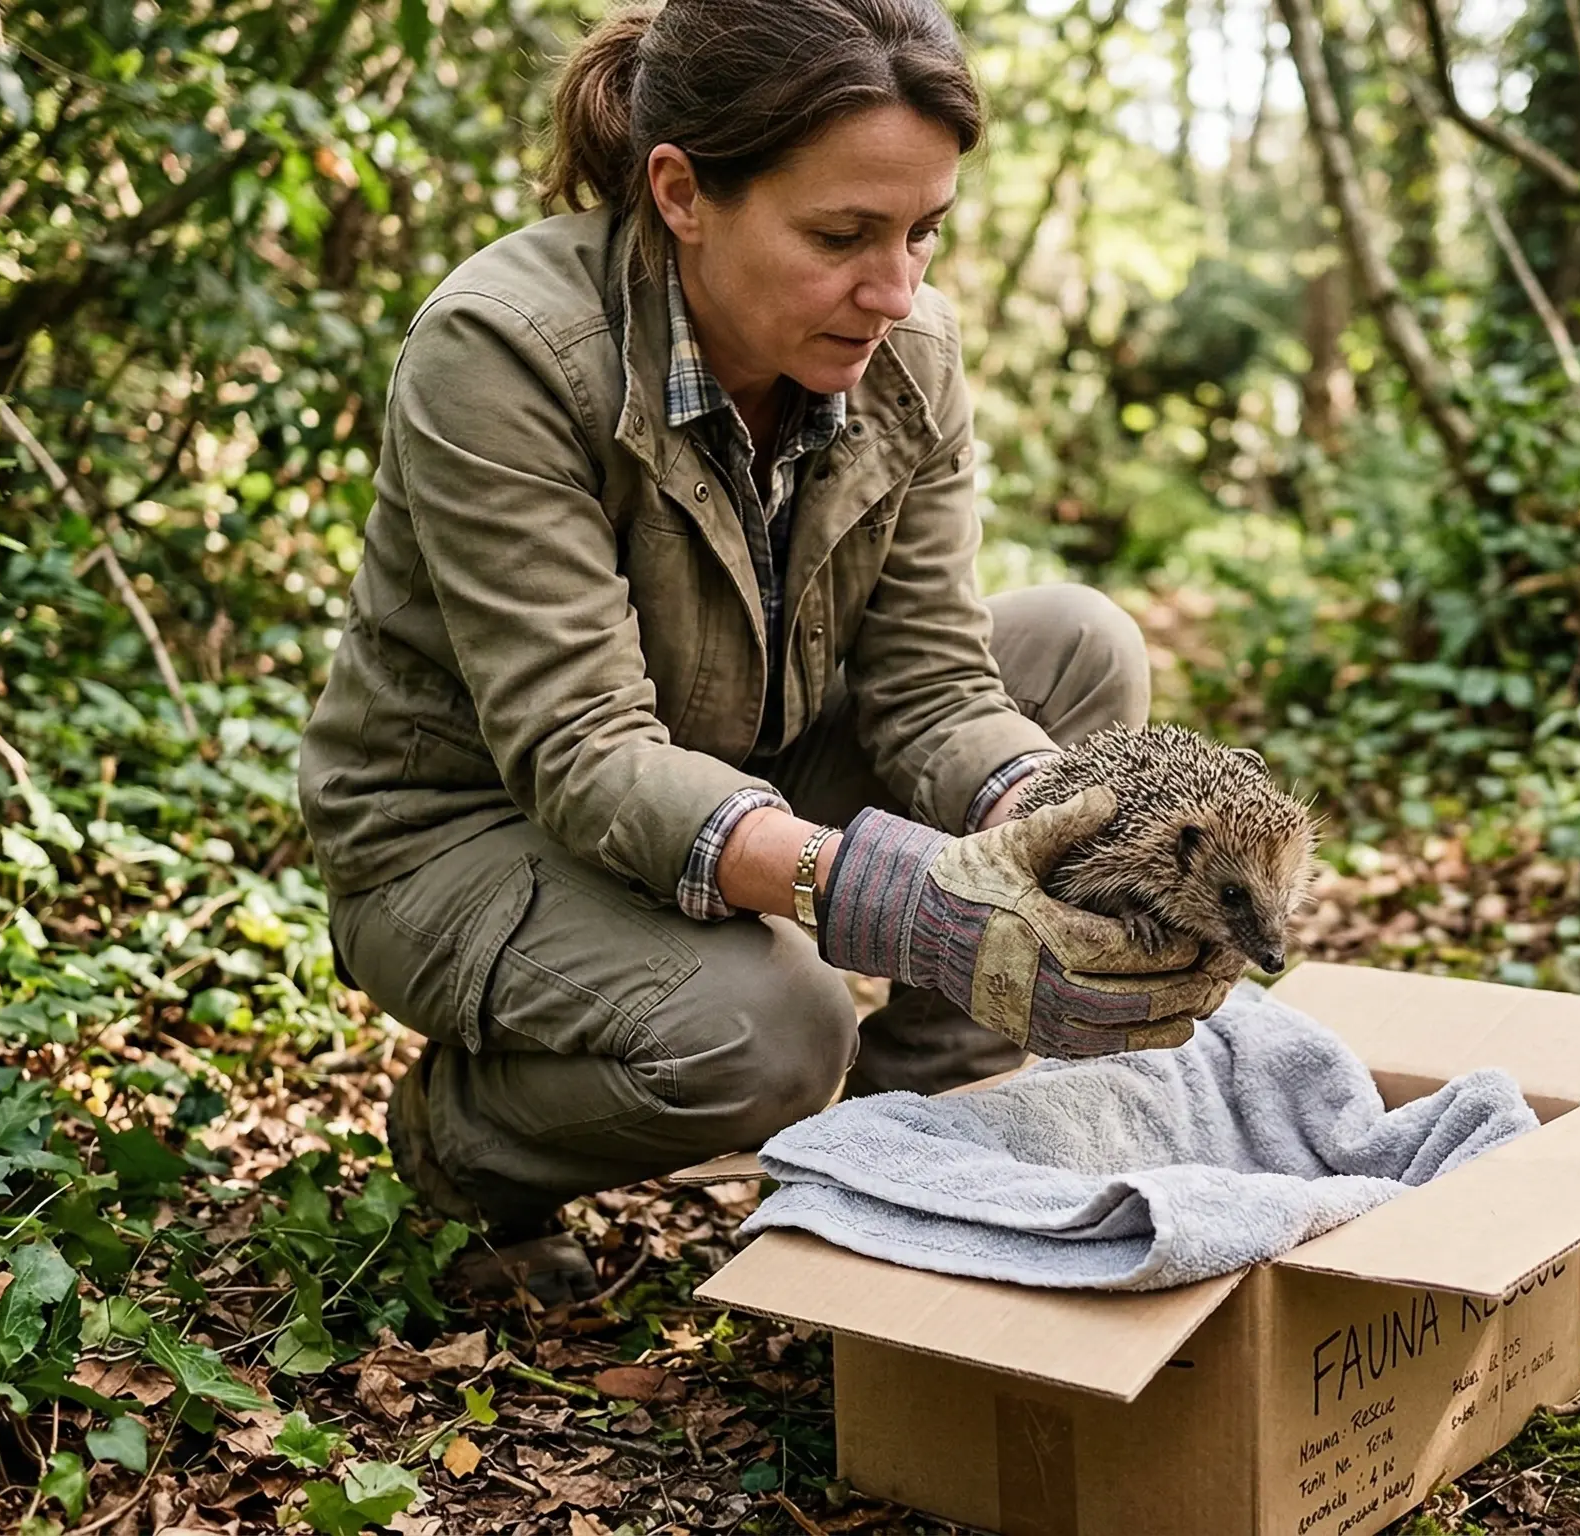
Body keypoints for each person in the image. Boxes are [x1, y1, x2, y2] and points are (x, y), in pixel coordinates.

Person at [298, 0, 1242, 1298]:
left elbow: (936, 685)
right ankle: (465, 1148)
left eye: (922, 231)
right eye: (841, 236)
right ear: (683, 194)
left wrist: (1059, 833)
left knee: (1077, 650)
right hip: (466, 831)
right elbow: (584, 753)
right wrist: (897, 899)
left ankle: (917, 1158)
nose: (895, 291)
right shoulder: (507, 349)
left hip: (745, 760)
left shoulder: (907, 353)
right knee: (776, 1029)